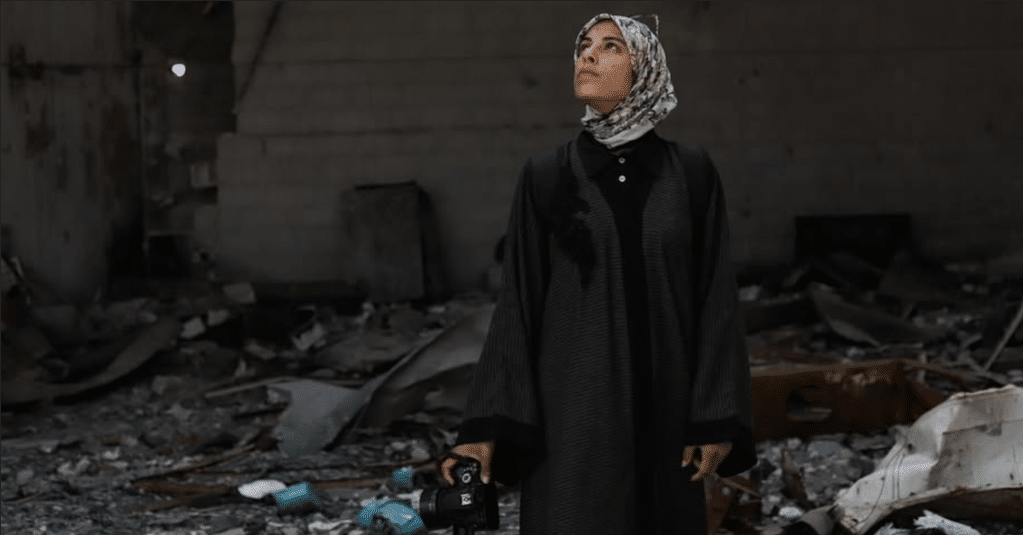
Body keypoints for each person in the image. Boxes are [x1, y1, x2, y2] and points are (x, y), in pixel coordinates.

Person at [440, 13, 756, 535]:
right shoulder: (547, 175)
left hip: (668, 420)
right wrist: (484, 428)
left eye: (610, 47)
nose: (587, 56)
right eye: (584, 46)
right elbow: (518, 305)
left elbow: (715, 303)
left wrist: (716, 416)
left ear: (646, 69)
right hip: (574, 417)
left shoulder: (691, 174)